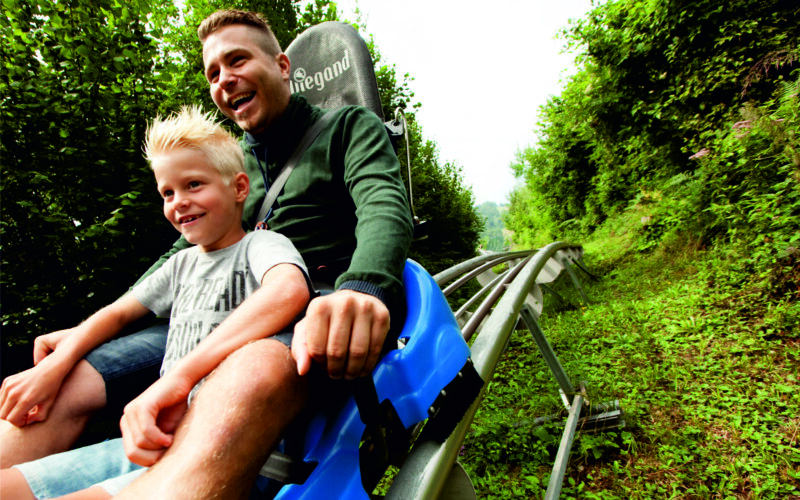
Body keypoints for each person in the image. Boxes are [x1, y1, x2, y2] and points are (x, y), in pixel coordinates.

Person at [0, 8, 413, 498]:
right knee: (67, 380)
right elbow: (177, 258)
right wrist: (80, 338)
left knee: (249, 372)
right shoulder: (227, 164)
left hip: (298, 315)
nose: (224, 79)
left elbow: (383, 204)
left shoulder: (345, 127)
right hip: (209, 311)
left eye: (237, 60)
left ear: (282, 66)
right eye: (213, 73)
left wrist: (363, 286)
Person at [0, 106, 313, 499]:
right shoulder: (181, 264)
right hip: (159, 441)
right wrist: (59, 361)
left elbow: (287, 291)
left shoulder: (260, 245)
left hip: (226, 449)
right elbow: (117, 314)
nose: (179, 201)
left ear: (238, 188)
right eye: (168, 192)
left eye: (194, 185)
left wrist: (180, 377)